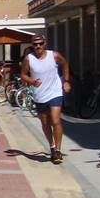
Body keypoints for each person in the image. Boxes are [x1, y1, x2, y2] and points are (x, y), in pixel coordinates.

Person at [20, 34, 71, 164]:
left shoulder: (53, 55)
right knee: (45, 123)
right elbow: (23, 75)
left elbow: (65, 63)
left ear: (44, 43)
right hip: (40, 95)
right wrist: (32, 81)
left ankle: (58, 150)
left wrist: (66, 81)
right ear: (32, 45)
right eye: (35, 44)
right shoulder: (29, 59)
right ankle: (52, 147)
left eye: (40, 43)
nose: (38, 46)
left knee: (55, 120)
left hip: (55, 92)